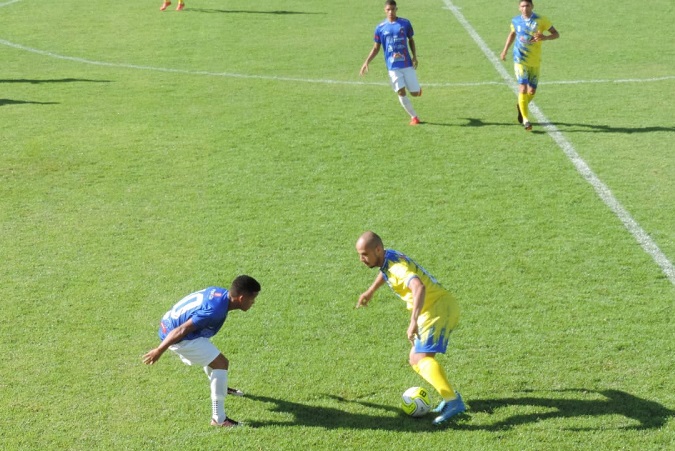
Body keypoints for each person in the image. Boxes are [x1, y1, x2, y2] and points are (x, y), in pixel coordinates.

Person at [355, 231, 465, 426]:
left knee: (420, 358)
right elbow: (385, 272)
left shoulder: (397, 267)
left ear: (377, 249)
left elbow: (418, 287)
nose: (361, 259)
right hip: (436, 306)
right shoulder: (388, 257)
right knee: (417, 358)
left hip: (436, 309)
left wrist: (413, 321)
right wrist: (371, 291)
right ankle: (448, 395)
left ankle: (453, 401)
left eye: (364, 254)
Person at [142, 275, 261, 427]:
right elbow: (182, 329)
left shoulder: (219, 293)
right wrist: (159, 350)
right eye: (252, 298)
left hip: (170, 323)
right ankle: (219, 419)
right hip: (178, 337)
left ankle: (221, 385)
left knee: (212, 357)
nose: (253, 302)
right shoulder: (214, 311)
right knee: (221, 364)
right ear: (241, 298)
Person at [360, 0, 422, 126]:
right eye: (388, 9)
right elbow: (376, 47)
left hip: (407, 64)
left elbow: (411, 40)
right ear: (385, 10)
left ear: (396, 9)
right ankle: (414, 117)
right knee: (400, 91)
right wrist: (367, 62)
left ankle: (418, 90)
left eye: (393, 9)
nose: (391, 12)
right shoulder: (380, 28)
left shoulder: (405, 23)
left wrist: (414, 56)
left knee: (414, 93)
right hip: (392, 66)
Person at [499, 0, 559, 131]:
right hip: (519, 59)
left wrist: (545, 37)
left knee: (532, 91)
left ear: (532, 6)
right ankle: (526, 120)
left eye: (527, 5)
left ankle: (521, 106)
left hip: (535, 60)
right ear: (519, 8)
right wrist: (505, 50)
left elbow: (556, 34)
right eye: (522, 6)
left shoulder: (541, 20)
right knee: (523, 89)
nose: (525, 8)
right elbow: (512, 34)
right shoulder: (515, 20)